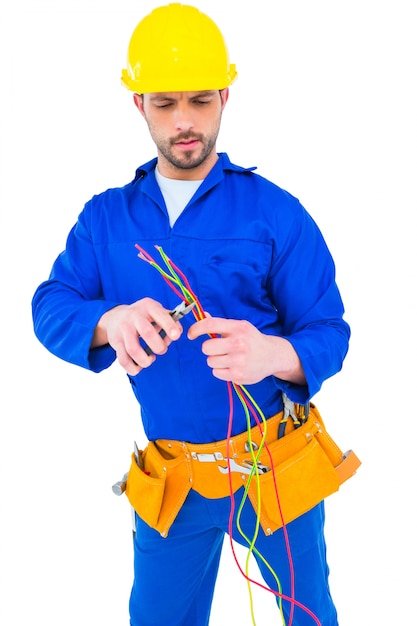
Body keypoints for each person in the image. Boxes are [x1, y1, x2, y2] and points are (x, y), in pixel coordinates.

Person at [32, 4, 353, 625]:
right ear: (138, 104)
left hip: (273, 468)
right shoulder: (105, 219)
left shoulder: (275, 212)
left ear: (226, 96)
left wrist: (272, 354)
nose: (184, 122)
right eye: (165, 103)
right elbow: (50, 305)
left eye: (201, 101)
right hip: (172, 479)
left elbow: (329, 332)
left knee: (309, 615)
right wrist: (108, 322)